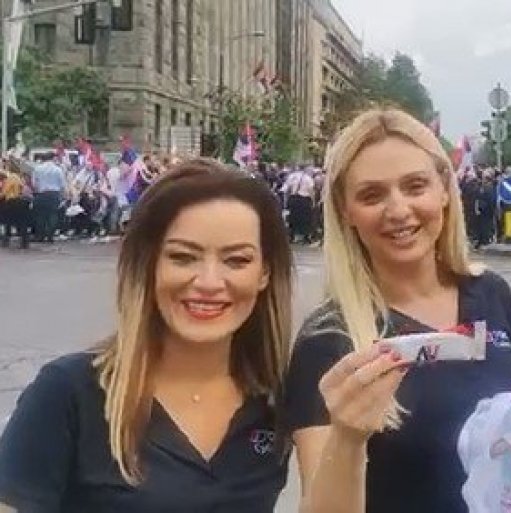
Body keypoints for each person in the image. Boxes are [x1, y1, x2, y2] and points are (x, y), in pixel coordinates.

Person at [283, 108, 511, 513]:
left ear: (444, 189)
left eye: (415, 186)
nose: (398, 210)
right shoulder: (327, 340)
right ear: (345, 211)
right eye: (372, 195)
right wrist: (348, 439)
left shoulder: (491, 293)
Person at [0, 159, 295, 512]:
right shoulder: (69, 393)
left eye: (236, 260)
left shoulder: (276, 401)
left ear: (264, 273)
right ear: (149, 264)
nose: (209, 282)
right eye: (183, 257)